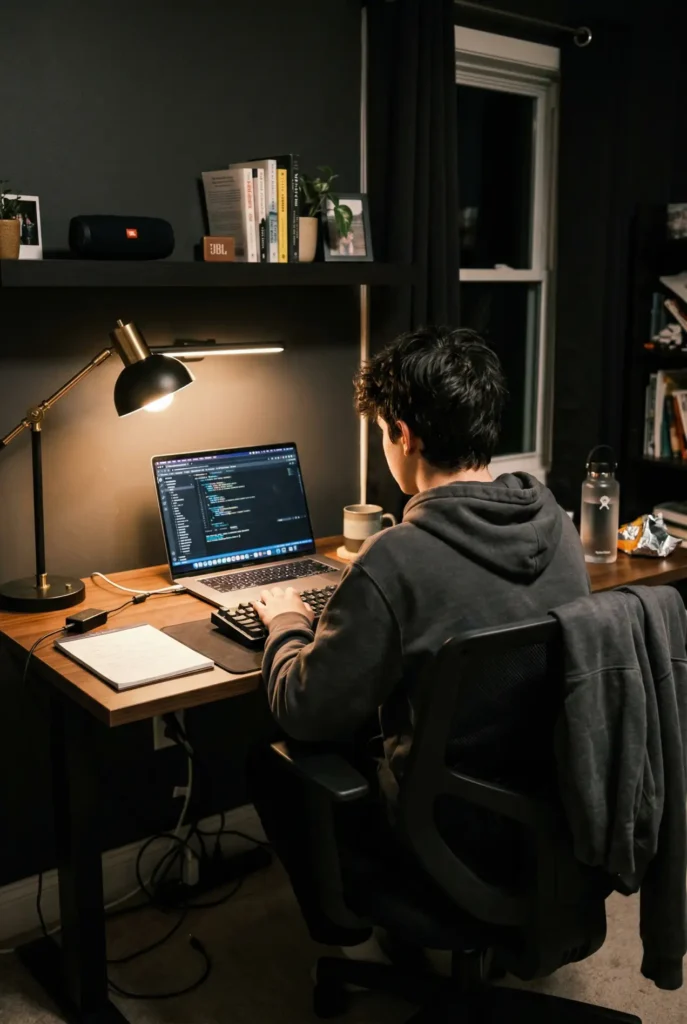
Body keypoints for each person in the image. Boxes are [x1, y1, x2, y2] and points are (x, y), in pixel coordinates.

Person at [248, 325, 590, 952]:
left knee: (271, 748)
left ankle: (345, 926)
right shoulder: (558, 525)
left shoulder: (396, 558)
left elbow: (304, 708)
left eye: (383, 432)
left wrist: (286, 621)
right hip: (559, 817)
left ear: (404, 434)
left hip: (448, 835)